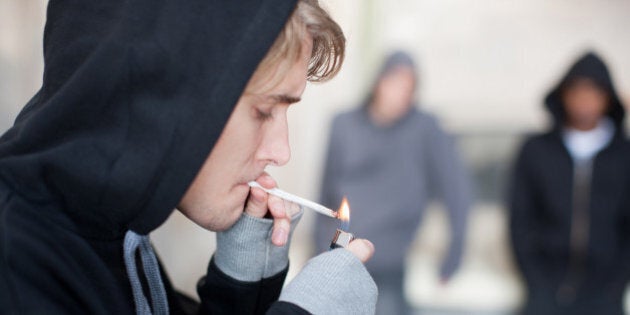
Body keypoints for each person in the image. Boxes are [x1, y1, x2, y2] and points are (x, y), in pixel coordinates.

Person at [0, 0, 378, 314]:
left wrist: (243, 281)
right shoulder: (17, 266)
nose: (282, 152)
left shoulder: (116, 235)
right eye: (265, 111)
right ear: (163, 96)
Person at [315, 51, 471, 315]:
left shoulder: (424, 129)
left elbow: (456, 191)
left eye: (408, 88)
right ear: (378, 82)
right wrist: (317, 250)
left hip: (387, 259)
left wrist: (454, 254)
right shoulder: (344, 124)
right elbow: (325, 191)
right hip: (339, 249)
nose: (400, 94)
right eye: (395, 83)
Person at [509, 51, 630, 315]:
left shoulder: (623, 154)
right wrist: (536, 281)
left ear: (607, 97)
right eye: (577, 90)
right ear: (563, 94)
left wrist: (617, 284)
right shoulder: (536, 150)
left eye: (594, 91)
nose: (585, 100)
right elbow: (520, 219)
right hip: (545, 290)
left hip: (605, 295)